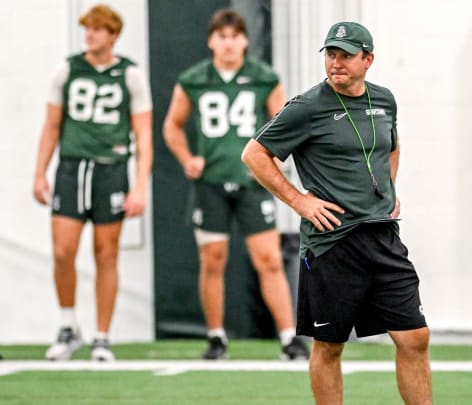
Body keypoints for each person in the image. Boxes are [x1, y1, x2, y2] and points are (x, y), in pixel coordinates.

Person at [242, 21, 432, 404]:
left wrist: (388, 186)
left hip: (382, 237)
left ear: (368, 60)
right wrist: (300, 201)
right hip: (332, 244)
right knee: (329, 347)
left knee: (414, 336)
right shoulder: (307, 107)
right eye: (331, 54)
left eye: (346, 55)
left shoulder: (384, 100)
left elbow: (391, 145)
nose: (336, 62)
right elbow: (254, 155)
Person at [163, 9, 308, 361]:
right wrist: (187, 159)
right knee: (212, 259)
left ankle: (289, 337)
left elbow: (283, 124)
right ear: (211, 41)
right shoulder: (194, 79)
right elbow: (172, 126)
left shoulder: (263, 77)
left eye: (234, 36)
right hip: (210, 182)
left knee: (269, 259)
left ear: (245, 40)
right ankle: (216, 337)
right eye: (221, 36)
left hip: (251, 183)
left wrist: (272, 164)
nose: (228, 43)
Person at [33, 4, 153, 361]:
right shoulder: (67, 69)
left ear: (113, 34)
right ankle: (68, 324)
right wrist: (40, 171)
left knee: (106, 253)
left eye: (98, 29)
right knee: (63, 251)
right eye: (87, 28)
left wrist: (140, 186)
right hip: (72, 168)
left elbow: (143, 134)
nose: (91, 34)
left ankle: (102, 335)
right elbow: (51, 125)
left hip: (110, 169)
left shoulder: (129, 75)